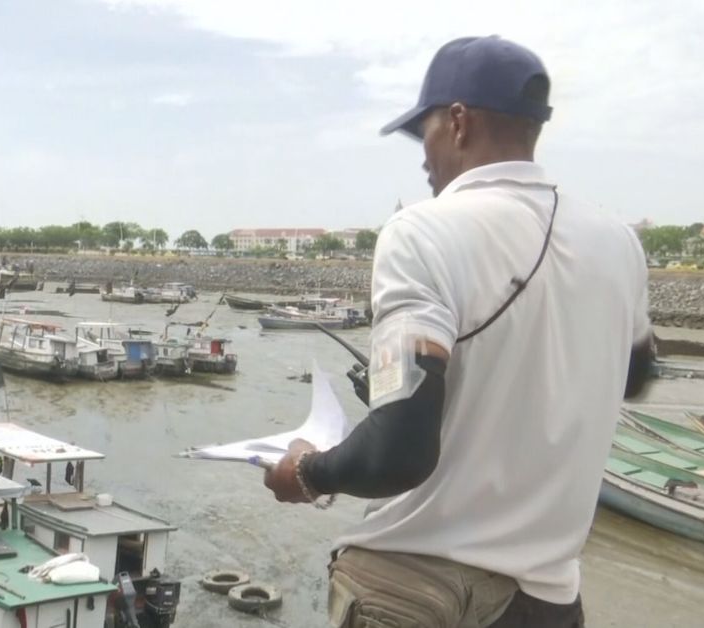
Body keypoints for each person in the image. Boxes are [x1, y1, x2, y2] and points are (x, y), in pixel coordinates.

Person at [263, 35, 653, 627]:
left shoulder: (421, 232)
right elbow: (633, 378)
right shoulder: (619, 242)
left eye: (426, 134)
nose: (424, 157)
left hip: (423, 589)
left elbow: (399, 454)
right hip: (546, 600)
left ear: (460, 122)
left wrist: (306, 470)